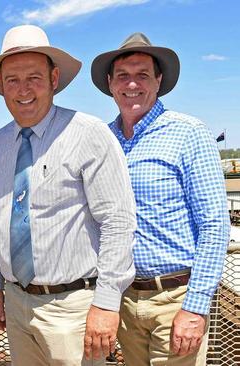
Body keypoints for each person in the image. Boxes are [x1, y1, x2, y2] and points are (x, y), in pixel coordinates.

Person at [0, 25, 137, 365]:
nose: (23, 90)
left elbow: (117, 222)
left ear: (53, 78)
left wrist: (107, 303)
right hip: (17, 305)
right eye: (12, 80)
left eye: (34, 77)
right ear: (1, 86)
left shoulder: (87, 134)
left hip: (74, 307)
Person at [91, 32, 230, 365]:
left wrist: (195, 307)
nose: (132, 85)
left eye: (142, 75)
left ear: (159, 80)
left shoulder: (188, 133)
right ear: (110, 83)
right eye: (123, 76)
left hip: (175, 299)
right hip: (121, 300)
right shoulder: (102, 140)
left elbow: (214, 225)